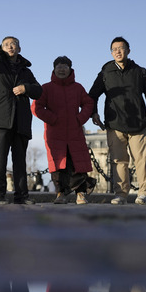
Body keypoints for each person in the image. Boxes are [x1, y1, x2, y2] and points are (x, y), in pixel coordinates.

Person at [0, 33, 42, 204]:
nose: (10, 46)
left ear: (19, 48)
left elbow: (39, 91)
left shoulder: (26, 71)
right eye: (6, 44)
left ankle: (22, 196)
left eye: (13, 44)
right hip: (0, 118)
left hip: (21, 120)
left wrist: (25, 88)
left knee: (20, 161)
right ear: (2, 48)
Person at [89, 37, 146, 205]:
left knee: (143, 159)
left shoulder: (140, 72)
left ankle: (143, 194)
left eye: (121, 48)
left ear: (128, 50)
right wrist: (94, 113)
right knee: (118, 161)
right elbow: (92, 95)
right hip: (115, 125)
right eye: (114, 49)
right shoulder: (105, 73)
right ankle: (121, 194)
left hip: (140, 125)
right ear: (111, 53)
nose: (118, 51)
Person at [32, 56, 97, 205]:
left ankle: (80, 194)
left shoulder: (78, 88)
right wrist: (53, 119)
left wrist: (80, 119)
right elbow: (36, 107)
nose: (62, 70)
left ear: (70, 69)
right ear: (54, 69)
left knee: (77, 163)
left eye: (65, 67)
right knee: (58, 165)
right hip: (54, 133)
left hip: (75, 132)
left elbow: (88, 103)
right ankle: (60, 194)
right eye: (59, 67)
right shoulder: (46, 88)